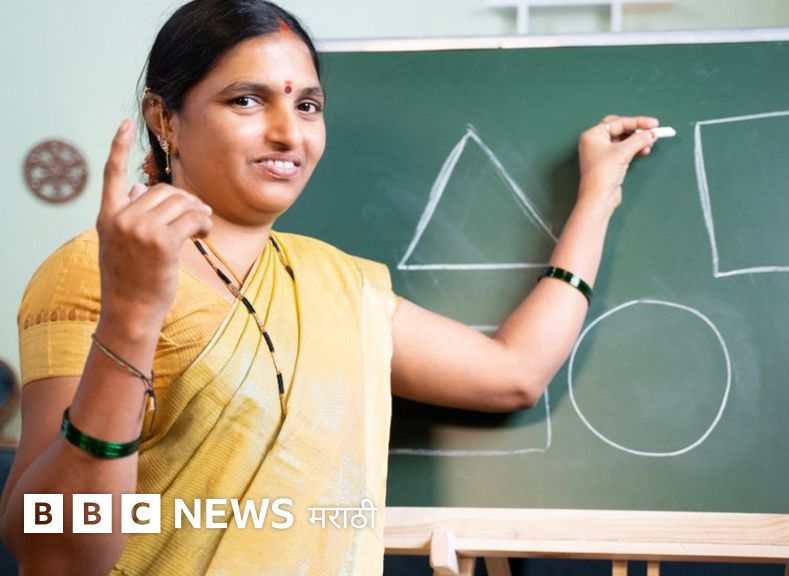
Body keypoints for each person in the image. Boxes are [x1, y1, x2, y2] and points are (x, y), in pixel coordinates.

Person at [0, 0, 660, 573]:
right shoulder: (93, 271)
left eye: (308, 105)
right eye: (247, 100)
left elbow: (514, 373)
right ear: (165, 119)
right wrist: (133, 315)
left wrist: (597, 197)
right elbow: (56, 555)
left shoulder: (340, 285)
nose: (288, 132)